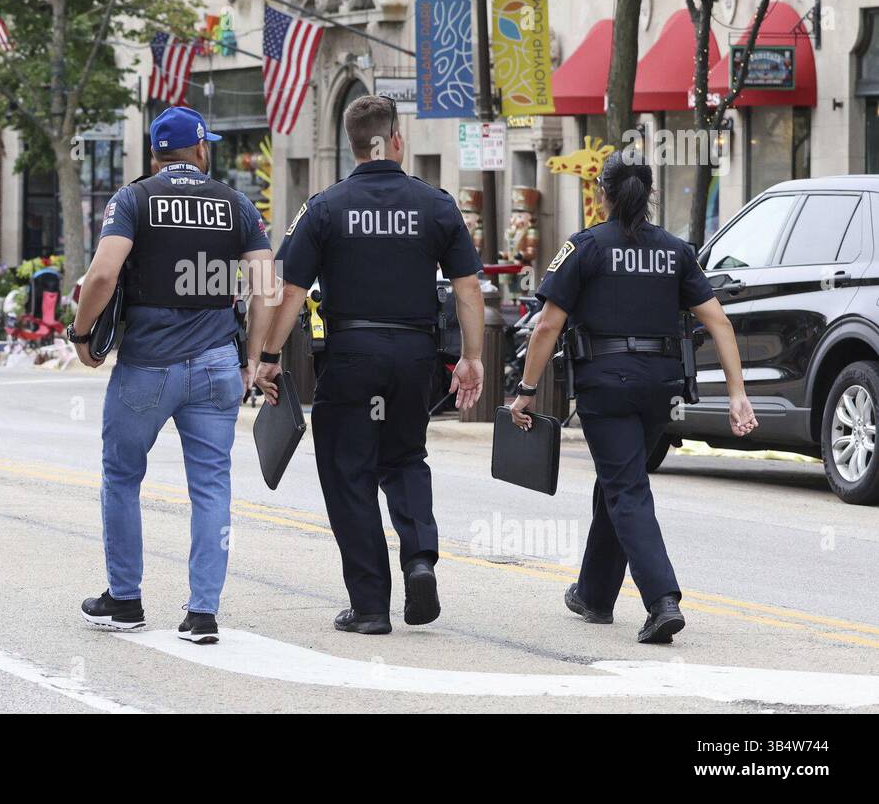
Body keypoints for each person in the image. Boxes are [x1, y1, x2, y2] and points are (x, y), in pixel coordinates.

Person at [256, 94, 485, 635]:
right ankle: (420, 557)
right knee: (405, 457)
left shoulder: (325, 207)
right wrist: (471, 358)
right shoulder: (436, 204)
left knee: (346, 473)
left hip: (351, 357)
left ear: (352, 145)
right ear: (396, 139)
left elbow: (289, 291)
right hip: (414, 356)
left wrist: (267, 357)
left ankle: (370, 608)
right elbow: (469, 288)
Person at [510, 151, 757, 643]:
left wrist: (526, 391)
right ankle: (595, 595)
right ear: (650, 196)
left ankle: (662, 600)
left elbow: (547, 326)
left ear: (603, 195)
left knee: (625, 489)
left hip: (606, 384)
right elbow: (719, 322)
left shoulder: (584, 247)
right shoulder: (674, 250)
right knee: (619, 481)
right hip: (660, 389)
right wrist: (737, 393)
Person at [71, 106, 276, 645]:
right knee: (211, 488)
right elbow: (266, 287)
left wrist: (81, 332)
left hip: (147, 365)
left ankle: (125, 600)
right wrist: (253, 357)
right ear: (202, 149)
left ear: (155, 153)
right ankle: (202, 613)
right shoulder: (236, 204)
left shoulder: (133, 199)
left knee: (122, 476)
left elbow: (103, 273)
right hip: (215, 365)